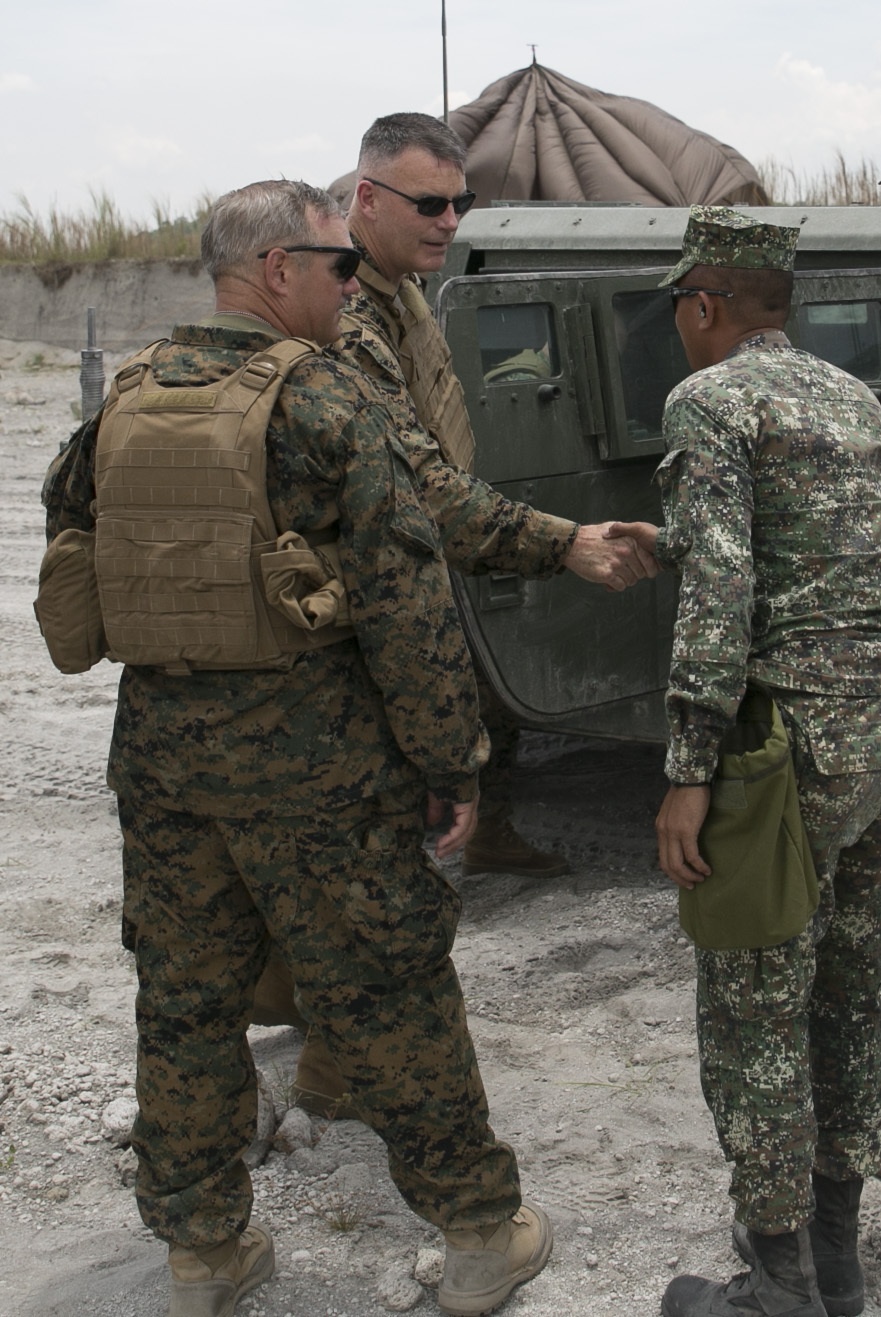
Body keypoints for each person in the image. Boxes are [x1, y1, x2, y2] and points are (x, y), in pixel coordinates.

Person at [41, 179, 554, 1317]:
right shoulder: (324, 403)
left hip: (166, 769)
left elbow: (69, 537)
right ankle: (478, 1236)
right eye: (333, 266)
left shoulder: (125, 397)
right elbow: (407, 599)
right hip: (319, 777)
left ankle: (203, 1253)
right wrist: (447, 765)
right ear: (276, 270)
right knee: (388, 994)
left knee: (183, 1002)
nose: (344, 284)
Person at [630, 206, 881, 1317]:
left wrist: (686, 768)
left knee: (751, 997)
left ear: (704, 305)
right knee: (850, 990)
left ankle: (773, 1281)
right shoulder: (852, 400)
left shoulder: (709, 399)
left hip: (783, 752)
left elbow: (721, 595)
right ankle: (839, 1253)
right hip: (873, 736)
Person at [341, 110, 659, 880]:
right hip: (378, 558)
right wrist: (565, 542)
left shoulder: (402, 292)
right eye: (428, 205)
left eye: (460, 205)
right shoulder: (348, 316)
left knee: (478, 691)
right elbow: (411, 480)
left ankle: (489, 829)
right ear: (366, 198)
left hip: (432, 540)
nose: (448, 222)